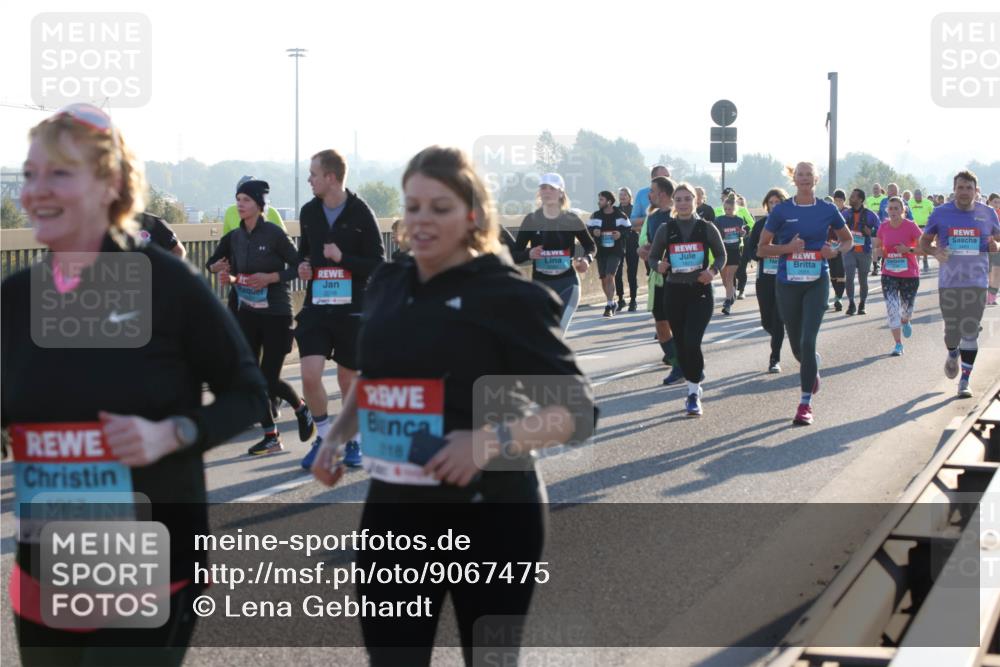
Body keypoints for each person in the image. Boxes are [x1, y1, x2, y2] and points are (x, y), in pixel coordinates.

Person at [310, 145, 595, 667]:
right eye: (413, 206)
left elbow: (577, 411)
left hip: (493, 512)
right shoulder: (389, 283)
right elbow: (375, 375)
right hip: (395, 510)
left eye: (439, 208)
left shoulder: (506, 296)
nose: (421, 220)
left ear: (472, 215)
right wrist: (335, 436)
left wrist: (487, 443)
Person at [4, 103, 266, 666]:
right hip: (42, 574)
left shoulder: (167, 287)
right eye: (29, 175)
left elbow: (248, 393)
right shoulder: (15, 299)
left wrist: (171, 434)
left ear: (111, 185)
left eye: (59, 173)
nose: (35, 191)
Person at [207, 179, 315, 454]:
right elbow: (213, 262)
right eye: (238, 199)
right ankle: (271, 436)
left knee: (268, 377)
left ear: (259, 204)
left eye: (245, 200)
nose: (239, 205)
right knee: (252, 378)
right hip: (247, 312)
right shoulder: (234, 237)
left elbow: (298, 265)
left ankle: (301, 408)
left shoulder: (274, 234)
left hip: (277, 313)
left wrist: (270, 277)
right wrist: (218, 270)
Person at [296, 149, 385, 470]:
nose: (309, 179)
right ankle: (323, 438)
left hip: (352, 309)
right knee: (309, 374)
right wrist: (302, 265)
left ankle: (354, 442)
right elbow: (302, 254)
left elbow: (378, 264)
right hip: (317, 307)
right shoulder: (308, 212)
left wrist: (341, 258)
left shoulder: (361, 212)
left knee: (348, 381)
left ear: (331, 177)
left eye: (313, 174)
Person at [758, 162, 851, 426]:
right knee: (798, 346)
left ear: (816, 179)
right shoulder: (783, 210)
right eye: (800, 174)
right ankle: (810, 367)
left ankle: (804, 404)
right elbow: (762, 249)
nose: (805, 178)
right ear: (794, 179)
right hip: (787, 282)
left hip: (816, 281)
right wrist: (788, 247)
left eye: (809, 174)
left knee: (809, 341)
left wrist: (833, 251)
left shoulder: (827, 208)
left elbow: (847, 240)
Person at [920, 170, 1000, 398]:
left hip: (977, 282)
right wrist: (935, 251)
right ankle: (953, 352)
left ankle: (964, 381)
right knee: (952, 332)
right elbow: (924, 242)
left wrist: (995, 245)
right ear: (954, 190)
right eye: (960, 188)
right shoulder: (940, 213)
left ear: (976, 191)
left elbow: (997, 238)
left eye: (969, 188)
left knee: (970, 331)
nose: (964, 192)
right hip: (949, 282)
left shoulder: (987, 213)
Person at [649, 183, 726, 415]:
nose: (683, 203)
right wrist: (658, 265)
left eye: (687, 198)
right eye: (678, 199)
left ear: (696, 201)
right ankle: (693, 375)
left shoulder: (706, 227)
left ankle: (693, 392)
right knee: (682, 345)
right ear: (674, 203)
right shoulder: (666, 228)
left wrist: (712, 272)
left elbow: (722, 255)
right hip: (674, 292)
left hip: (700, 291)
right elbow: (653, 257)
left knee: (692, 341)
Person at [513, 173, 595, 333]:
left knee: (557, 332)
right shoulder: (531, 220)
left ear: (561, 192)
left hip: (568, 285)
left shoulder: (571, 219)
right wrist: (528, 254)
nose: (547, 192)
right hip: (540, 287)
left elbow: (590, 245)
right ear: (539, 192)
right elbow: (514, 254)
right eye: (543, 188)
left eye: (552, 188)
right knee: (541, 333)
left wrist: (586, 259)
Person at [638, 176, 680, 382]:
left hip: (681, 278)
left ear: (662, 193)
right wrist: (644, 250)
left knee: (679, 324)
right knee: (661, 325)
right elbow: (648, 243)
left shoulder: (681, 214)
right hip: (658, 278)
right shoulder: (652, 217)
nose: (649, 195)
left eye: (652, 191)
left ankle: (684, 364)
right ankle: (677, 363)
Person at [745, 188, 789, 372]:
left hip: (785, 277)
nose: (774, 206)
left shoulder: (790, 224)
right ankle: (781, 336)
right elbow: (749, 250)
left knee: (778, 319)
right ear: (767, 205)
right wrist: (761, 254)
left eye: (777, 202)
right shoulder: (761, 224)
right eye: (771, 203)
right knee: (766, 321)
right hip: (764, 277)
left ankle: (774, 359)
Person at [874, 196, 923, 356]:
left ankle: (906, 319)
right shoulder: (883, 227)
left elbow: (924, 248)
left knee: (906, 309)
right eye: (891, 208)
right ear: (887, 210)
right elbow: (877, 247)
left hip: (909, 274)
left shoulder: (911, 226)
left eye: (897, 208)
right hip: (889, 274)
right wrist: (878, 253)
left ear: (903, 210)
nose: (893, 211)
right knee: (892, 309)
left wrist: (908, 250)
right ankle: (898, 344)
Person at [588, 191, 631, 317]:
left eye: (601, 199)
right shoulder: (595, 215)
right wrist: (593, 231)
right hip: (600, 251)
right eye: (599, 199)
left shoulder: (620, 215)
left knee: (609, 275)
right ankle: (611, 302)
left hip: (615, 250)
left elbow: (629, 230)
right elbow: (587, 230)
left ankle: (608, 304)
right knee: (603, 278)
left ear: (609, 202)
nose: (598, 202)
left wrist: (620, 234)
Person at [841, 188, 880, 315]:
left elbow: (880, 230)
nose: (850, 198)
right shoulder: (846, 214)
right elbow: (837, 227)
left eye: (853, 197)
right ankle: (851, 303)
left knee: (863, 279)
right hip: (849, 250)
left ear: (860, 199)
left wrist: (871, 232)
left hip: (865, 251)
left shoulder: (870, 214)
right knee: (849, 278)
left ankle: (862, 304)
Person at [221, 175, 286, 235]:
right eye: (239, 198)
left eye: (247, 199)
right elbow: (224, 241)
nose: (241, 204)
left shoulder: (272, 212)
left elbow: (284, 241)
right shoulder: (230, 212)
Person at [713, 193, 745, 314]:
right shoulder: (719, 220)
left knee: (730, 276)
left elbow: (741, 233)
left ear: (735, 209)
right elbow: (715, 235)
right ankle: (731, 295)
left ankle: (727, 302)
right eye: (725, 209)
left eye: (730, 209)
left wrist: (742, 233)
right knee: (725, 278)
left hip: (734, 250)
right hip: (723, 251)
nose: (727, 211)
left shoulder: (739, 220)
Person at [614, 186, 640, 311]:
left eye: (625, 194)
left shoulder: (635, 210)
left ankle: (633, 300)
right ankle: (620, 299)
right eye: (620, 194)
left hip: (632, 243)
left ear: (630, 197)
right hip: (618, 244)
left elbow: (639, 225)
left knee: (632, 273)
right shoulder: (615, 210)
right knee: (617, 273)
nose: (622, 197)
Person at [630, 165, 670, 232]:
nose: (669, 180)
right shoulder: (642, 194)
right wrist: (651, 218)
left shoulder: (676, 194)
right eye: (665, 177)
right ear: (654, 178)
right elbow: (632, 221)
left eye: (669, 176)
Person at [827, 189, 848, 311]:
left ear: (844, 201)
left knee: (840, 273)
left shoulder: (847, 212)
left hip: (843, 246)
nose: (838, 202)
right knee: (833, 274)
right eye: (836, 200)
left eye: (840, 200)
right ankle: (836, 294)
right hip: (830, 246)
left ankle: (838, 297)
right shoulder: (830, 212)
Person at [910, 189, 935, 272]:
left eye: (919, 195)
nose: (917, 196)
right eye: (916, 195)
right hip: (914, 227)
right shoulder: (910, 202)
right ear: (914, 195)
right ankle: (916, 264)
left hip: (925, 226)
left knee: (923, 245)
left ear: (921, 195)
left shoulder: (927, 203)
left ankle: (925, 260)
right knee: (916, 245)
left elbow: (933, 213)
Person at [988, 193, 1000, 305]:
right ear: (989, 202)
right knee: (989, 272)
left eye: (998, 202)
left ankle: (992, 297)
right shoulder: (984, 213)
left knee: (997, 272)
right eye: (995, 202)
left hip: (998, 247)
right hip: (985, 247)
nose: (997, 204)